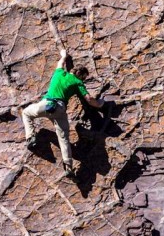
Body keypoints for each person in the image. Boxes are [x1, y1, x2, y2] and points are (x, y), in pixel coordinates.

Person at [22, 48, 105, 177]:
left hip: (45, 105)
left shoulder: (59, 73)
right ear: (81, 75)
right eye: (84, 77)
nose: (84, 80)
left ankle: (30, 137)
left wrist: (64, 56)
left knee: (26, 113)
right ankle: (68, 167)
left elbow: (60, 63)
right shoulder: (78, 83)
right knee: (63, 138)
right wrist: (99, 104)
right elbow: (89, 99)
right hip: (60, 109)